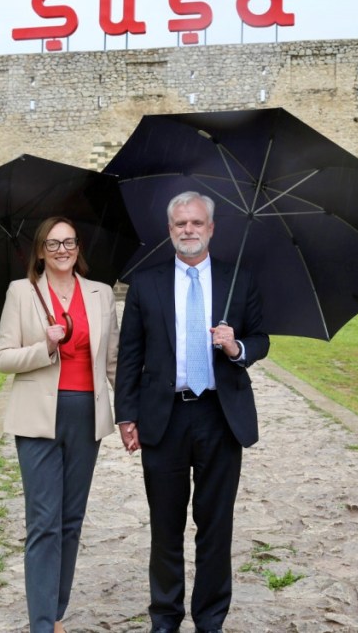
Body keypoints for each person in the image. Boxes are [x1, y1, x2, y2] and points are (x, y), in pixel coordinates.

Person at [115, 191, 269, 633]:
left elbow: (261, 338)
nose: (188, 230)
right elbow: (130, 355)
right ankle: (165, 618)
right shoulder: (146, 284)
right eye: (180, 223)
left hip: (221, 416)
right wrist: (127, 416)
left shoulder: (238, 278)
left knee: (216, 525)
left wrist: (236, 346)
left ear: (211, 228)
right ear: (170, 230)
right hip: (163, 417)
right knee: (165, 527)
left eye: (196, 223)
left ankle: (210, 619)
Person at [0, 216, 119, 633]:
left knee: (71, 519)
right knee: (43, 520)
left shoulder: (101, 295)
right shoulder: (21, 292)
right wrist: (44, 345)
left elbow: (114, 362)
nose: (62, 250)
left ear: (79, 247)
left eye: (69, 242)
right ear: (41, 251)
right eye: (53, 244)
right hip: (37, 420)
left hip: (87, 416)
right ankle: (42, 624)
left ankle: (58, 612)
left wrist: (134, 412)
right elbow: (3, 358)